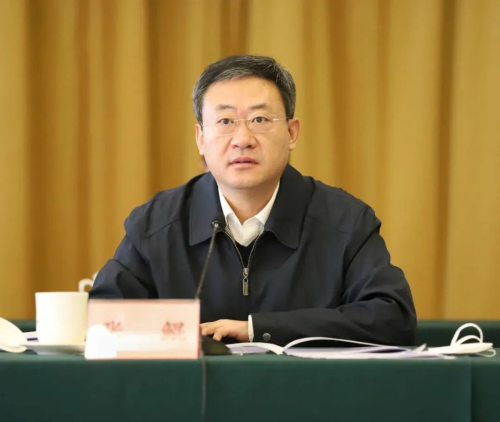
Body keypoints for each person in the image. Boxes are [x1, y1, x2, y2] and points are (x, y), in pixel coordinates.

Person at [90, 55, 416, 346]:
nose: (242, 139)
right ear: (200, 138)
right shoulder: (156, 224)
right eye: (225, 122)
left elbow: (392, 318)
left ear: (292, 133)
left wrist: (257, 329)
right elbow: (105, 321)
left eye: (260, 120)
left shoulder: (344, 221)